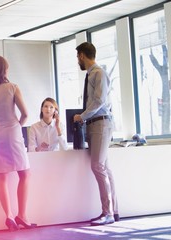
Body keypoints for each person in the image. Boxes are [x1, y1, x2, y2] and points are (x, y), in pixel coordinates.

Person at [0, 55, 37, 231]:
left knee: (1, 176)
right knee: (25, 174)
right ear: (4, 70)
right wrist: (17, 126)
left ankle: (9, 216)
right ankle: (22, 216)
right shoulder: (12, 87)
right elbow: (25, 114)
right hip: (13, 133)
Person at [73, 42, 119, 226]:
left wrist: (81, 116)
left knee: (98, 167)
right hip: (93, 124)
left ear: (82, 55)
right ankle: (113, 211)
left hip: (101, 123)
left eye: (78, 57)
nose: (78, 61)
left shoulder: (98, 73)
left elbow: (99, 100)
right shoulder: (91, 75)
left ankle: (107, 212)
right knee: (104, 168)